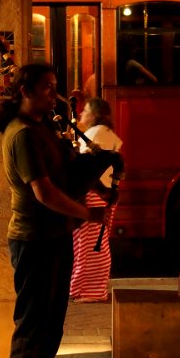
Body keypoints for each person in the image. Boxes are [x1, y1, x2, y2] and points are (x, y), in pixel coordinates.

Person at [0, 63, 111, 358]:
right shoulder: (22, 135)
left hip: (55, 236)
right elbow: (44, 193)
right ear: (24, 90)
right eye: (46, 87)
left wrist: (99, 177)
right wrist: (87, 214)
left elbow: (65, 175)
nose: (54, 94)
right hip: (34, 240)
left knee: (52, 324)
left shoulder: (43, 128)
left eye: (55, 86)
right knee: (34, 324)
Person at [69, 98, 123, 303]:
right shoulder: (105, 133)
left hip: (93, 195)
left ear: (96, 114)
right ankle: (87, 288)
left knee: (88, 245)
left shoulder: (96, 134)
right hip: (102, 194)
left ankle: (86, 289)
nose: (82, 114)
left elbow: (85, 169)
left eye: (86, 111)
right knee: (94, 244)